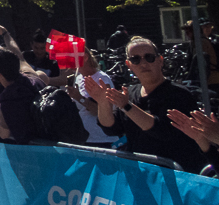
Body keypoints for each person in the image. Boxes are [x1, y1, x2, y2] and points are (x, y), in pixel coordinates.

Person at [84, 36, 207, 172]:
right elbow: (112, 129)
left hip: (175, 175)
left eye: (149, 57)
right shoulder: (130, 93)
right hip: (141, 175)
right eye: (135, 59)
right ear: (129, 65)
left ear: (160, 61)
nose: (143, 64)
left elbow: (163, 131)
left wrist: (127, 107)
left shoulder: (179, 94)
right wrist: (102, 103)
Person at [0, 48, 45, 144]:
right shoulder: (35, 81)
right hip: (53, 148)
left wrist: (0, 116)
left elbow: (4, 134)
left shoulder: (7, 99)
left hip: (30, 153)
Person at [66, 48, 115, 147]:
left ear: (85, 57)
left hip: (102, 140)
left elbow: (104, 112)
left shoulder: (102, 79)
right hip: (84, 139)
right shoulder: (78, 78)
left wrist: (79, 98)